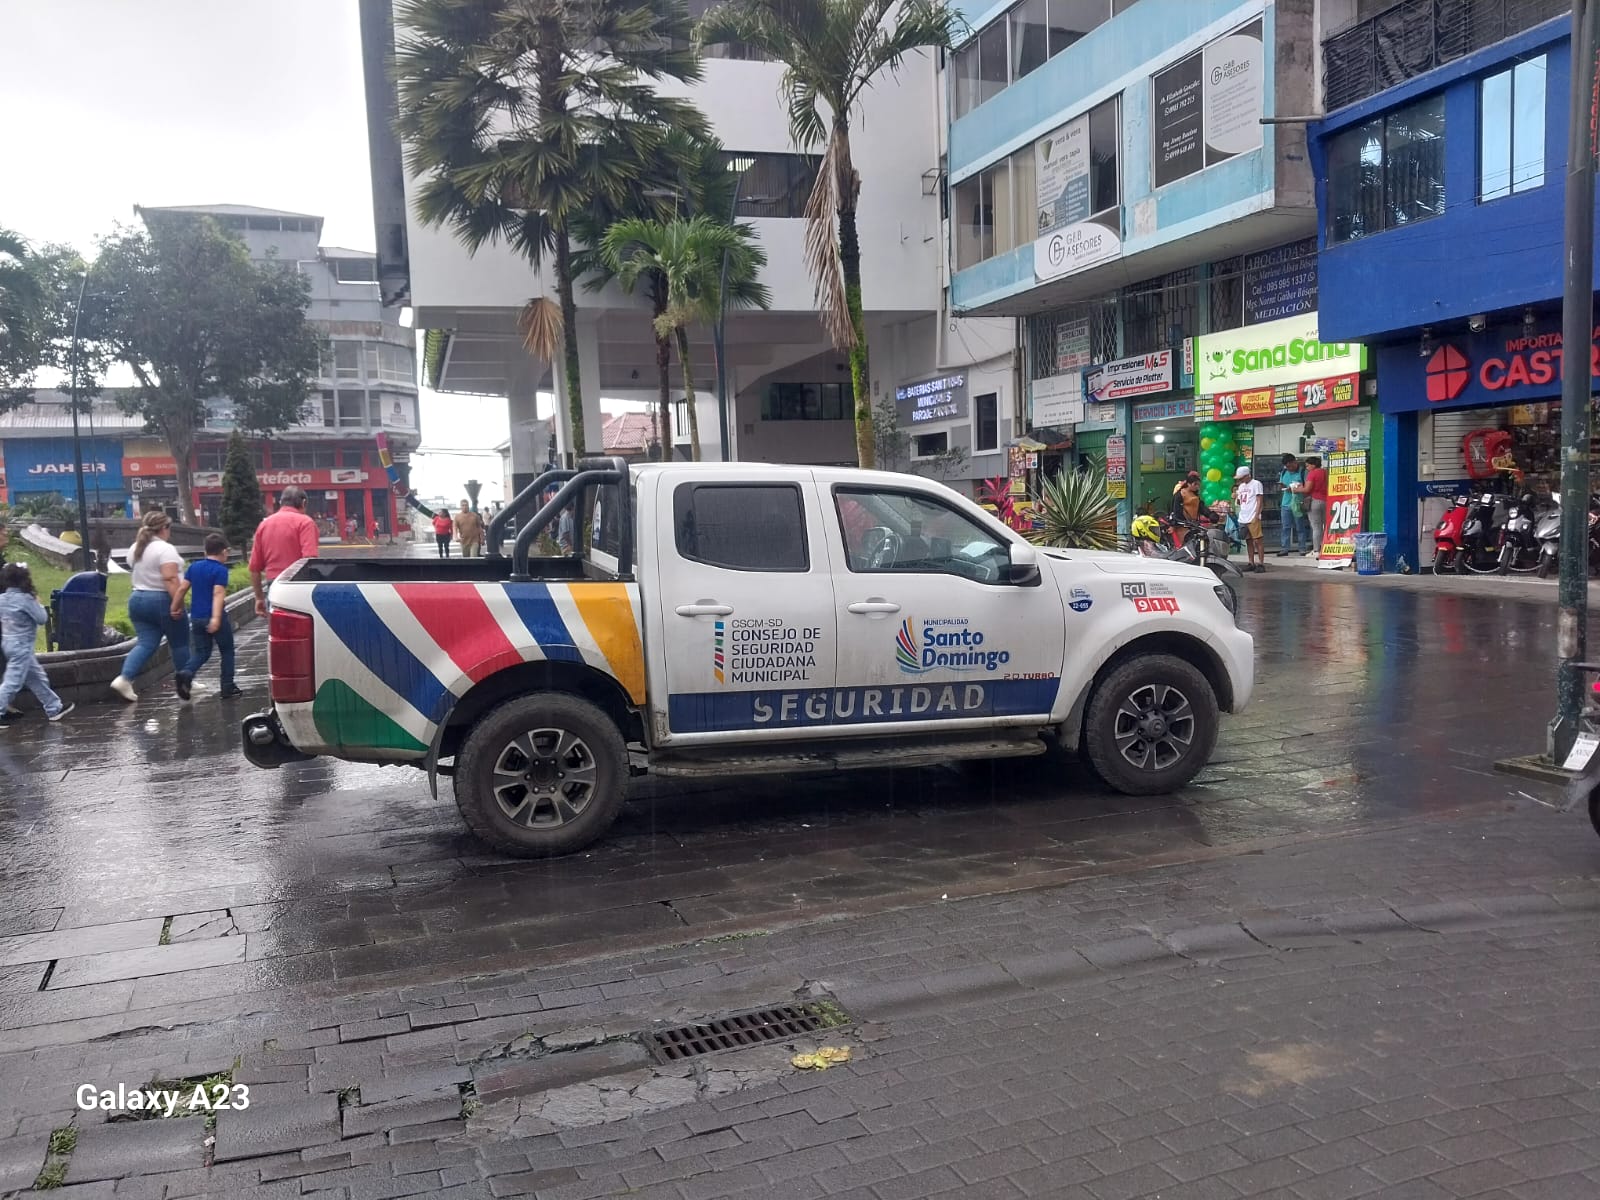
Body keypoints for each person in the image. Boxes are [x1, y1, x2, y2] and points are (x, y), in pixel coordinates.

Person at [109, 511, 189, 703]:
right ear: (164, 528)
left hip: (137, 599)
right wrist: (177, 603)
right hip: (162, 599)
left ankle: (124, 678)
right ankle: (187, 683)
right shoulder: (165, 549)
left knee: (146, 643)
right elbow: (170, 578)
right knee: (179, 643)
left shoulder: (136, 547)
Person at [0, 563, 73, 728]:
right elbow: (42, 618)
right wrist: (37, 603)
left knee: (37, 678)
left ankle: (54, 707)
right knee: (12, 682)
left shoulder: (2, 599)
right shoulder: (26, 599)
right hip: (22, 646)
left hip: (8, 644)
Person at [173, 533, 241, 702]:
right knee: (227, 651)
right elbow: (218, 593)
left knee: (201, 652)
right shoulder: (220, 570)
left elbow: (182, 589)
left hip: (196, 617)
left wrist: (174, 607)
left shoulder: (194, 567)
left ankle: (186, 673)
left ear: (205, 551)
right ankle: (227, 687)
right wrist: (216, 618)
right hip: (214, 616)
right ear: (224, 551)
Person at [250, 485, 320, 618]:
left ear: (280, 502)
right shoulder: (305, 522)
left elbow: (254, 568)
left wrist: (259, 598)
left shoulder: (264, 525)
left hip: (274, 587)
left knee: (277, 628)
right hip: (297, 586)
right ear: (303, 503)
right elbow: (309, 560)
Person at [1234, 464, 1266, 574]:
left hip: (1253, 515)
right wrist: (1236, 497)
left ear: (1247, 475)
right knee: (1248, 540)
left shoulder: (1256, 484)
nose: (1240, 480)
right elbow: (1240, 502)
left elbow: (1259, 500)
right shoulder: (1241, 487)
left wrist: (1257, 514)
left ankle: (1261, 563)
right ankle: (1251, 562)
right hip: (1243, 516)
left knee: (1257, 540)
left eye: (1242, 478)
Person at [1277, 453, 1310, 556]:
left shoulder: (1303, 472)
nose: (1289, 468)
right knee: (1285, 527)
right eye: (1287, 467)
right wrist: (1282, 487)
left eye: (1290, 466)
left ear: (1295, 462)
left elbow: (1307, 487)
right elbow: (1281, 485)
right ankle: (1285, 548)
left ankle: (1302, 548)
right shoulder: (1284, 472)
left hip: (1298, 503)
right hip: (1286, 503)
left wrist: (1296, 488)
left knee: (1300, 527)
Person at [1303, 455, 1328, 555]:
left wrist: (1296, 489)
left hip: (1315, 501)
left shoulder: (1312, 474)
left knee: (1316, 527)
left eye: (1308, 466)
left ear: (1313, 465)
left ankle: (1316, 550)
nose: (1307, 468)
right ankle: (1326, 548)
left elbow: (1307, 489)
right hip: (1327, 501)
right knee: (1326, 526)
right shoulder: (1326, 472)